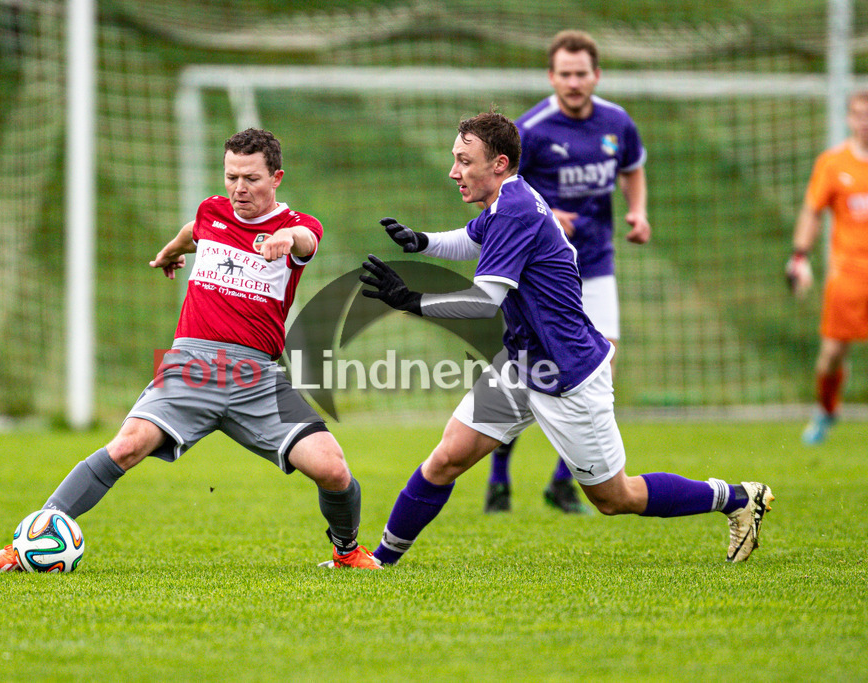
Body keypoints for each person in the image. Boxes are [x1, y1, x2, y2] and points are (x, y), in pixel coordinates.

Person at [360, 111, 772, 565]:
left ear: (498, 164)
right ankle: (379, 561)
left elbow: (482, 301)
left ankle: (736, 498)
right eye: (454, 159)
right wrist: (422, 241)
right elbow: (473, 238)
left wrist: (410, 301)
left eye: (464, 160)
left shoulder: (514, 210)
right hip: (522, 365)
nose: (454, 171)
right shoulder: (504, 202)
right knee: (447, 458)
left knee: (616, 497)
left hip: (568, 375)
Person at [0, 128, 379, 571]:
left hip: (255, 379)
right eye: (231, 177)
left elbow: (307, 240)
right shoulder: (213, 211)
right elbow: (195, 230)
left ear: (277, 178)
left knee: (333, 470)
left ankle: (346, 552)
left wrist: (288, 242)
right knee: (126, 446)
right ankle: (24, 545)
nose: (239, 188)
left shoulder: (298, 227)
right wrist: (172, 250)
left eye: (251, 178)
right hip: (191, 368)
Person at [484, 29, 651, 515]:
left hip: (595, 261)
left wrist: (638, 211)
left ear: (596, 75)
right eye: (565, 74)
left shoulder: (617, 122)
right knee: (528, 369)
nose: (574, 82)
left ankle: (564, 482)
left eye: (582, 74)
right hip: (539, 271)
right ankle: (499, 479)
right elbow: (503, 187)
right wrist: (547, 213)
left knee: (603, 362)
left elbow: (633, 168)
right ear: (551, 76)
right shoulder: (531, 130)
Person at [787, 90, 868, 445]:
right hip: (848, 274)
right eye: (859, 115)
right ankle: (826, 409)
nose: (865, 121)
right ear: (849, 119)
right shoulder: (833, 164)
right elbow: (812, 211)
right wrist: (799, 256)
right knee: (832, 354)